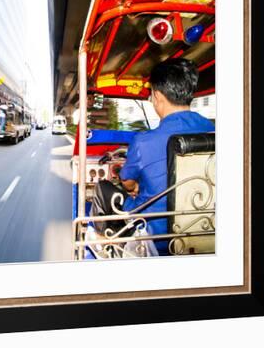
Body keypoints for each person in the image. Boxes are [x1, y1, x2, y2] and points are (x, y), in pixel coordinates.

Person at [91, 58, 215, 255]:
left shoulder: (143, 142)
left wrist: (137, 185)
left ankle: (107, 241)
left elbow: (127, 183)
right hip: (202, 231)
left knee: (103, 187)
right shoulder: (213, 130)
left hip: (153, 235)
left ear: (157, 96)